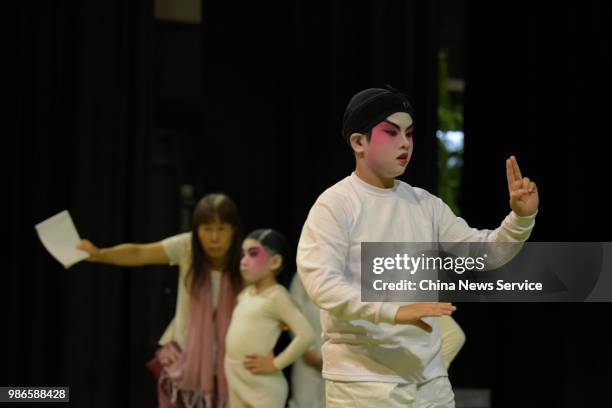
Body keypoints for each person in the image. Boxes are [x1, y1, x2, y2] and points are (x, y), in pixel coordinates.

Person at [296, 86, 539, 407]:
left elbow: (484, 253)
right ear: (358, 142)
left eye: (409, 133)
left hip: (430, 382)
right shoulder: (336, 204)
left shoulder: (424, 204)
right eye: (390, 132)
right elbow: (322, 283)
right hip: (362, 383)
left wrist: (520, 219)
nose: (404, 143)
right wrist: (392, 311)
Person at [77, 193, 243, 408]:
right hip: (184, 360)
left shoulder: (247, 259)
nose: (214, 238)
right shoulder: (186, 247)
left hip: (231, 363)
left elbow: (269, 297)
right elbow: (139, 253)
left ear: (234, 230)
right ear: (196, 230)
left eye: (221, 229)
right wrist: (100, 254)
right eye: (206, 229)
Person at [287, 274, 465, 408]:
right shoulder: (325, 271)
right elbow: (295, 310)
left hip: (375, 378)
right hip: (323, 362)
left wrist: (426, 374)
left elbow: (454, 335)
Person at [224, 229, 315, 408]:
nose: (243, 261)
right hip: (237, 380)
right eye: (243, 254)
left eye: (253, 254)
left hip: (262, 388)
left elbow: (306, 335)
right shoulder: (246, 294)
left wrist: (275, 364)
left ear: (275, 262)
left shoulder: (277, 297)